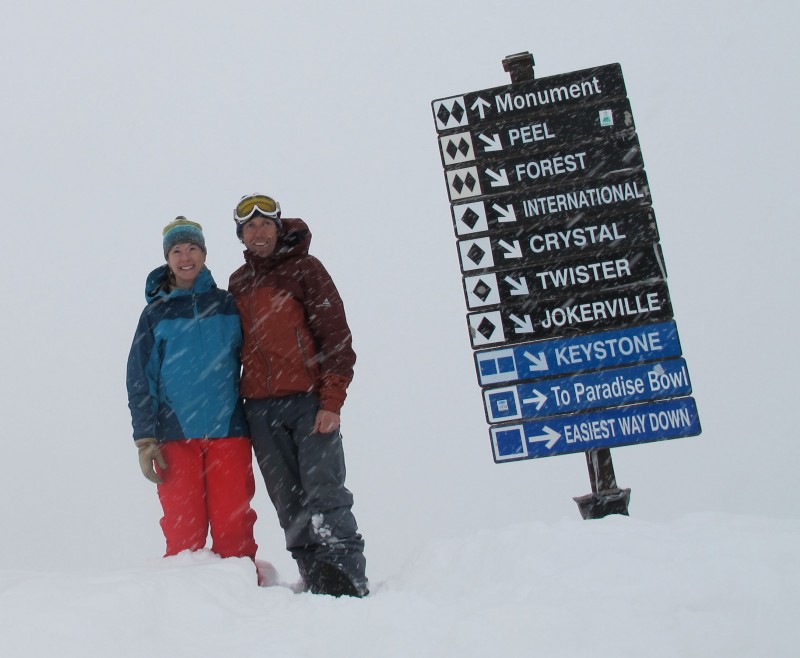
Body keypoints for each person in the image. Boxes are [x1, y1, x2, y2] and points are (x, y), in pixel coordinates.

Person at [228, 193, 368, 597]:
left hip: (308, 402)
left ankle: (346, 572)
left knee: (324, 490)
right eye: (249, 226)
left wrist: (331, 402)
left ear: (278, 227)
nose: (258, 231)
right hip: (259, 407)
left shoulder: (306, 269)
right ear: (240, 235)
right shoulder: (238, 282)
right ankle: (315, 572)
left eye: (264, 224)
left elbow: (336, 338)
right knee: (288, 501)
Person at [127, 216, 258, 564]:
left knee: (235, 531)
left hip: (228, 431)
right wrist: (145, 438)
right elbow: (140, 378)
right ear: (168, 258)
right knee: (184, 538)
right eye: (177, 250)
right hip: (174, 436)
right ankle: (185, 612)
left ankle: (246, 606)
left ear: (204, 253)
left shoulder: (228, 305)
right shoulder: (155, 315)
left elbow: (256, 359)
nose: (186, 257)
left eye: (193, 248)